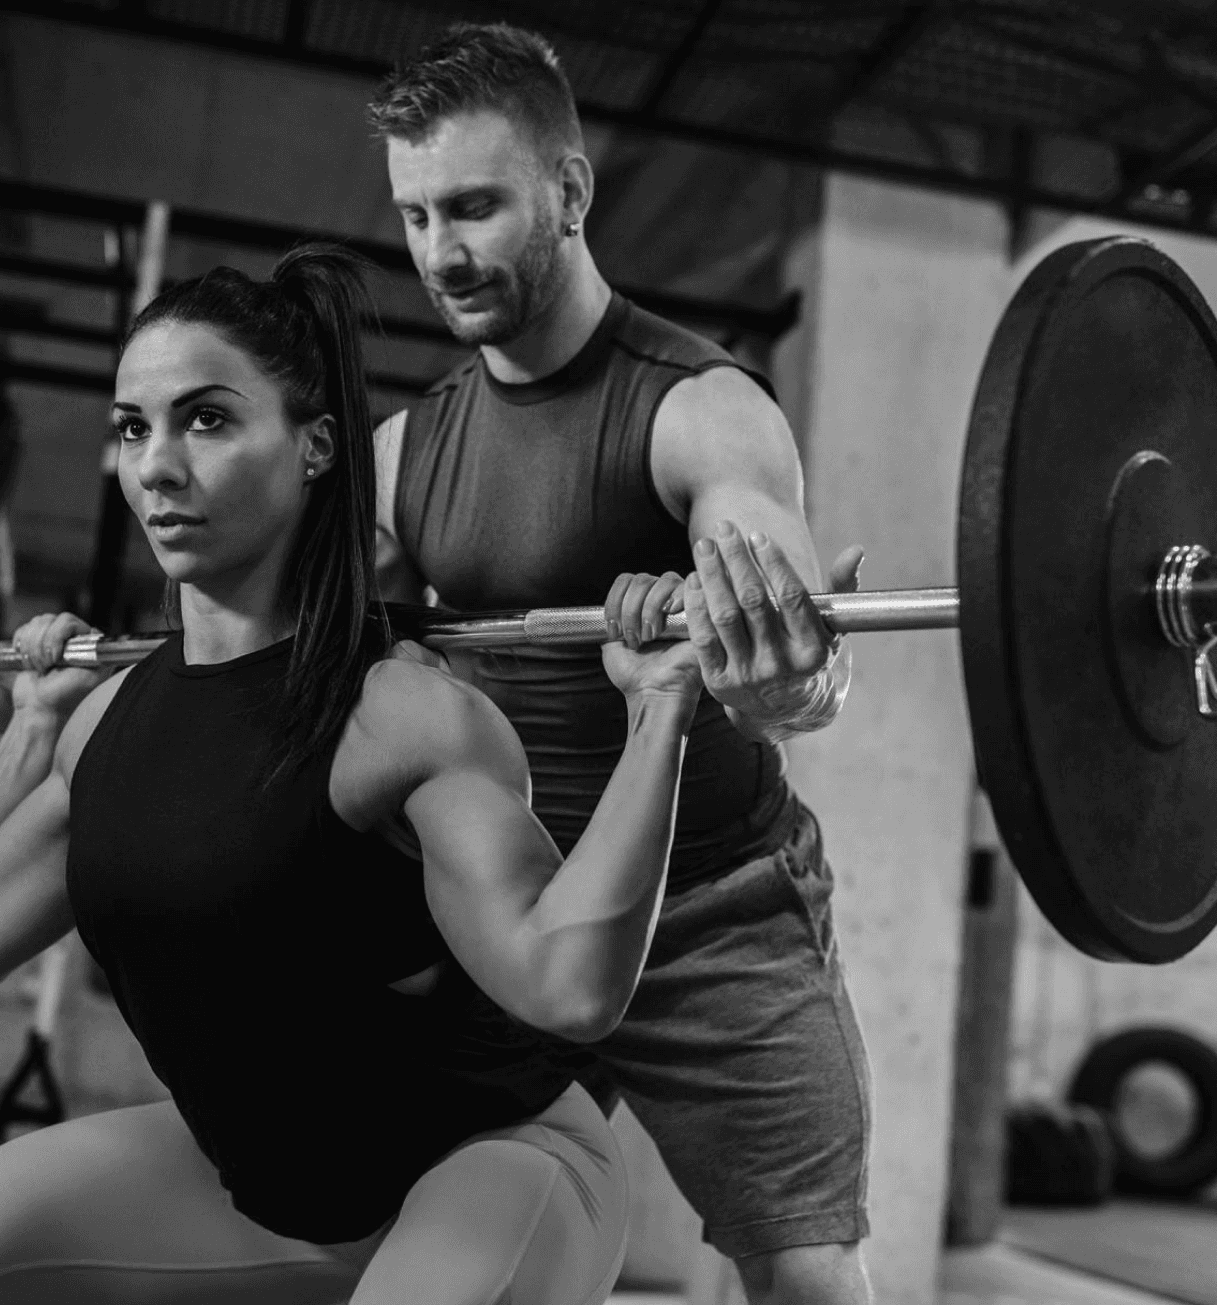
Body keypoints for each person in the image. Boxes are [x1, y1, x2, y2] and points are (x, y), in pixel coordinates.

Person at [0, 246, 722, 1305]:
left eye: (206, 419)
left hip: (489, 1160)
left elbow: (570, 988)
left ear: (315, 446)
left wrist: (660, 708)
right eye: (133, 427)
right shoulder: (102, 722)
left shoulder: (402, 715)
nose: (158, 465)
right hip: (258, 1187)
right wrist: (29, 726)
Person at [368, 24, 874, 1305]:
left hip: (717, 912)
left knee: (808, 1278)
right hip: (520, 909)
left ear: (571, 192)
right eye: (417, 215)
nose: (440, 253)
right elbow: (279, 661)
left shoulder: (699, 408)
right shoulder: (404, 453)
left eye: (474, 207)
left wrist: (787, 678)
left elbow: (801, 677)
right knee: (419, 1238)